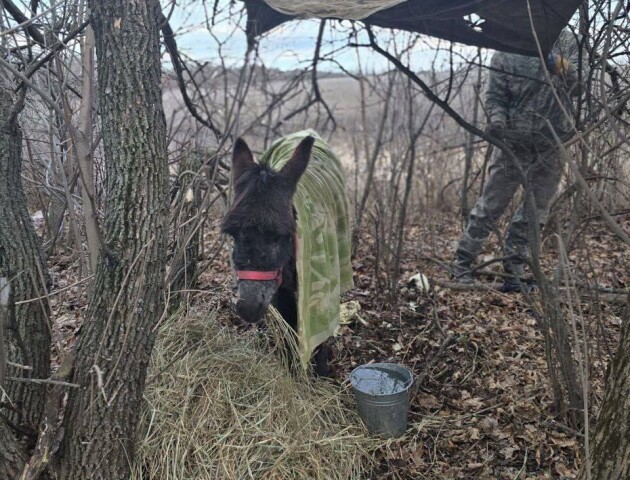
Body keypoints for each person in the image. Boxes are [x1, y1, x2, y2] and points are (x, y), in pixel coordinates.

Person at [452, 29, 586, 292]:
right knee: (490, 205)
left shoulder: (568, 41)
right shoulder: (507, 43)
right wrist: (498, 122)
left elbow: (580, 86)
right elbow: (496, 97)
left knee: (534, 214)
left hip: (552, 143)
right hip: (513, 143)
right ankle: (461, 266)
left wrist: (557, 63)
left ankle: (513, 275)